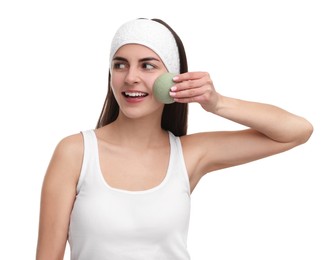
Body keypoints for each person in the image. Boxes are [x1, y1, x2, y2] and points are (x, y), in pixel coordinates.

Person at [36, 18, 313, 260]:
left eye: (147, 65)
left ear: (172, 79)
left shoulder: (189, 154)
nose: (131, 77)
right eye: (120, 65)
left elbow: (297, 131)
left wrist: (217, 103)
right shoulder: (75, 153)